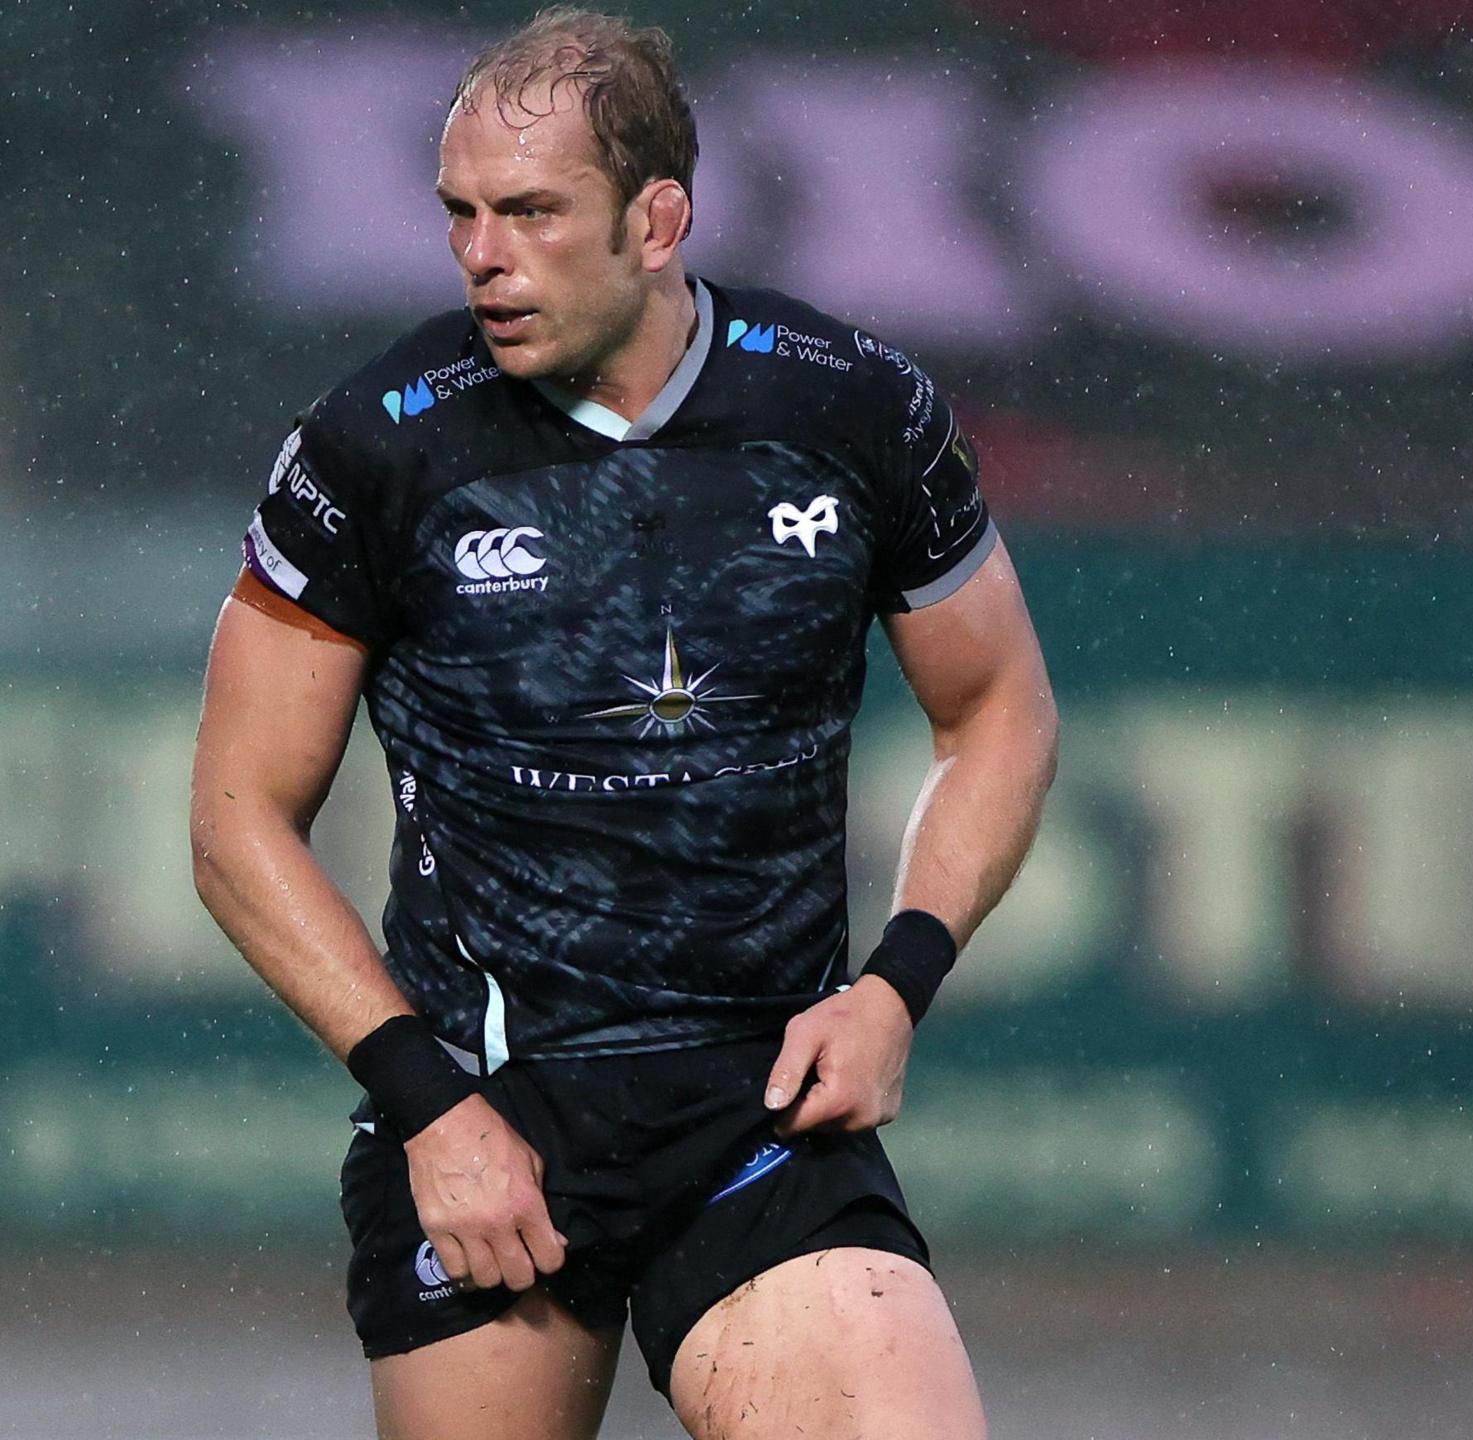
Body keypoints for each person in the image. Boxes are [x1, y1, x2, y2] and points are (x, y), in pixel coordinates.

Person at [189, 10, 1057, 1437]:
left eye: (532, 212)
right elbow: (234, 825)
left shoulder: (850, 411)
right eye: (461, 214)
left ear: (660, 221)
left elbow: (1001, 710)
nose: (484, 254)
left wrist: (899, 982)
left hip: (759, 1113)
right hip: (492, 1111)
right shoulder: (378, 444)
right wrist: (430, 1110)